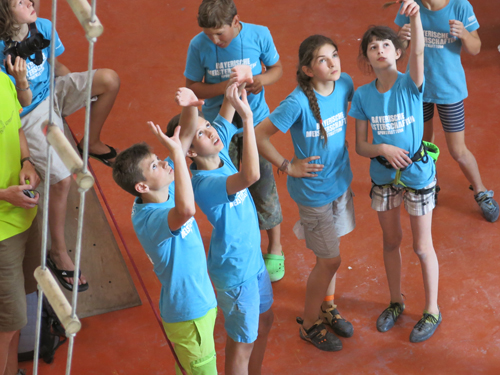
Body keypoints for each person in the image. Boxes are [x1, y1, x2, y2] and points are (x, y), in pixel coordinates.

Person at [0, 0, 121, 291]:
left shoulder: (42, 27)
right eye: (20, 1)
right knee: (63, 179)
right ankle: (58, 251)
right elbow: (18, 104)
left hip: (52, 93)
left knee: (108, 80)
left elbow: (56, 65)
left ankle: (90, 141)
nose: (31, 1)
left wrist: (77, 88)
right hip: (27, 113)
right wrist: (21, 82)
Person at [255, 35, 355, 351]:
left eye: (335, 55)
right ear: (308, 70)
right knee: (330, 260)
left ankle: (327, 306)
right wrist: (287, 164)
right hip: (314, 194)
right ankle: (309, 324)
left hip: (340, 184)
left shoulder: (345, 84)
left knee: (331, 255)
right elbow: (259, 135)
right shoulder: (297, 102)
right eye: (323, 59)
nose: (333, 63)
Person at [349, 0, 442, 343]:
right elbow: (360, 146)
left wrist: (415, 17)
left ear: (396, 51)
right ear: (367, 59)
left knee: (421, 246)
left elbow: (419, 54)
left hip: (418, 176)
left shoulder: (409, 85)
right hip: (384, 176)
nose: (380, 50)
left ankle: (432, 309)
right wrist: (382, 148)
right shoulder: (362, 96)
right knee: (391, 242)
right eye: (372, 47)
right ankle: (395, 301)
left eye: (386, 44)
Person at [169, 81, 273, 375]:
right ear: (189, 152)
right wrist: (249, 119)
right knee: (242, 344)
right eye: (199, 132)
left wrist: (236, 80)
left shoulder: (218, 150)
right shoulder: (205, 184)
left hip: (252, 262)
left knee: (265, 321)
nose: (211, 131)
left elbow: (227, 105)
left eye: (207, 125)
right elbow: (250, 175)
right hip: (236, 272)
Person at [184, 0, 285, 281]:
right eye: (208, 34)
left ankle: (275, 245)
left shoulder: (259, 34)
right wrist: (228, 86)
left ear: (236, 22)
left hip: (256, 123)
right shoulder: (198, 45)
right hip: (220, 127)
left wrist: (260, 80)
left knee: (264, 183)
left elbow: (277, 68)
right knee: (226, 187)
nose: (214, 40)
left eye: (219, 34)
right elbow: (192, 85)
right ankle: (234, 234)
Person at [112, 123, 217, 375]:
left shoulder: (162, 189)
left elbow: (187, 133)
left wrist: (191, 103)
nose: (165, 163)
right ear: (142, 186)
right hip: (189, 315)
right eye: (155, 165)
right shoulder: (150, 219)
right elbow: (186, 210)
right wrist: (179, 157)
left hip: (201, 303)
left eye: (160, 159)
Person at [395, 0, 498, 222]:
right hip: (418, 88)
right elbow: (399, 50)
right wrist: (401, 39)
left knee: (458, 150)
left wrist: (464, 34)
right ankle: (431, 186)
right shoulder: (411, 6)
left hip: (449, 90)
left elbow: (475, 48)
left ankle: (481, 191)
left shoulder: (460, 6)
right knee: (423, 144)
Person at [0, 71, 41, 375]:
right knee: (6, 327)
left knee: (13, 326)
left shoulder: (3, 80)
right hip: (2, 236)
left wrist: (26, 160)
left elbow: (15, 128)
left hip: (25, 215)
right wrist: (4, 195)